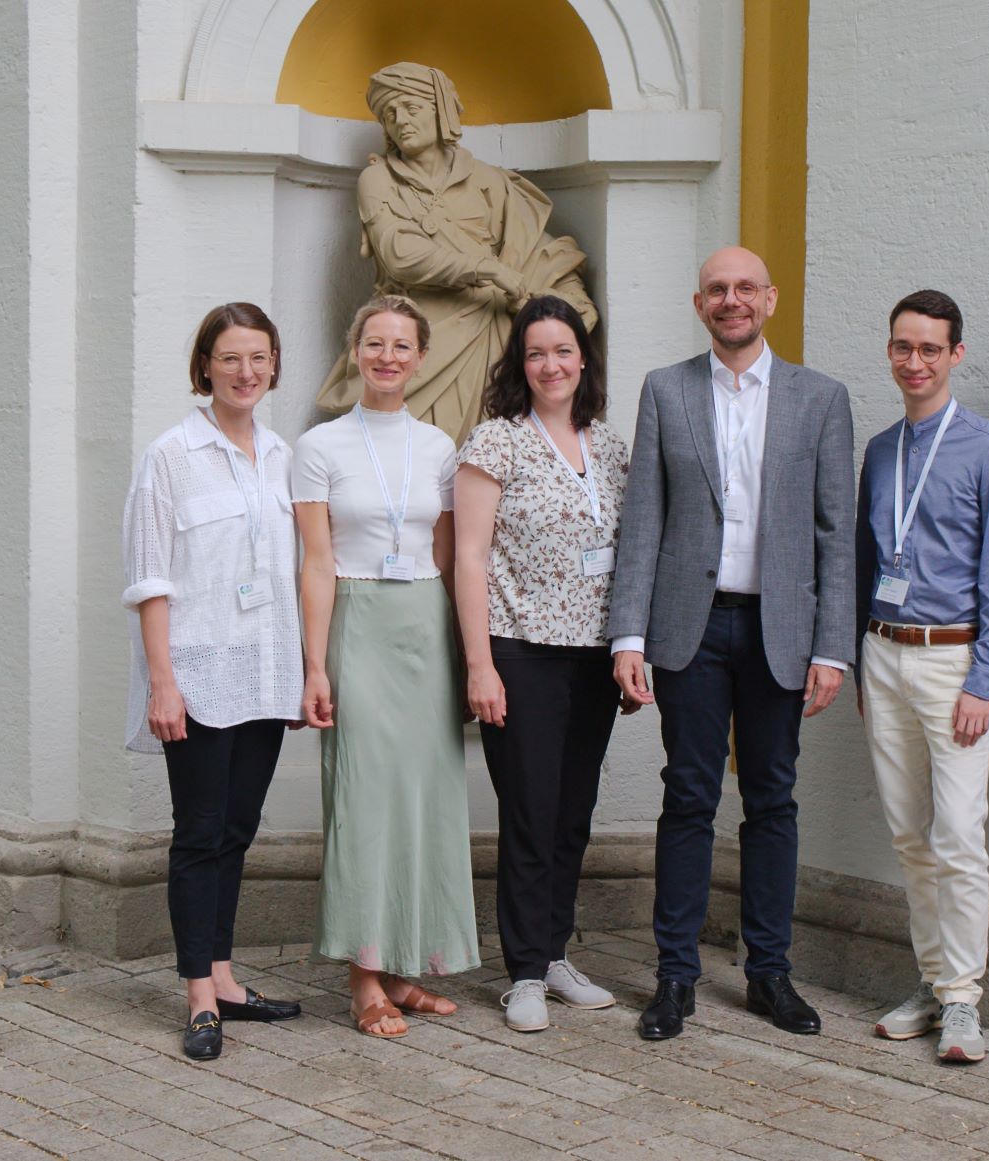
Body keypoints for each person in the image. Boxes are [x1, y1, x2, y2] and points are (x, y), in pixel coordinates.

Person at [609, 246, 856, 1041]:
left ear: (770, 299)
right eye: (717, 288)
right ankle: (674, 976)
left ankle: (768, 972)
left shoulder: (821, 398)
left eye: (746, 286)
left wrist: (832, 646)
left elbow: (834, 534)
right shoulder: (665, 390)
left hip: (780, 630)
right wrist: (628, 633)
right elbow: (643, 520)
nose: (731, 299)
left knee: (771, 798)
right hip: (691, 625)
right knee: (687, 795)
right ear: (698, 302)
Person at [122, 302, 305, 1060]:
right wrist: (163, 682)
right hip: (196, 672)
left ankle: (226, 977)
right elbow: (149, 578)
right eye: (230, 357)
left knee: (237, 828)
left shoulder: (282, 455)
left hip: (263, 671)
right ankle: (199, 996)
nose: (246, 371)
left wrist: (298, 674)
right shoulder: (171, 455)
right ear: (204, 367)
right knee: (198, 834)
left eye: (259, 357)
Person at [294, 294, 480, 1039]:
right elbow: (313, 563)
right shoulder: (320, 446)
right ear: (354, 350)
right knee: (364, 800)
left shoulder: (439, 446)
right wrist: (315, 664)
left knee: (424, 798)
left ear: (421, 357)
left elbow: (446, 553)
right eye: (375, 343)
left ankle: (404, 969)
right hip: (358, 623)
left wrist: (463, 653)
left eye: (402, 346)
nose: (388, 357)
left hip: (422, 626)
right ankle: (363, 978)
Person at [454, 295, 635, 1033]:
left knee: (571, 814)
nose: (549, 365)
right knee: (528, 813)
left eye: (561, 350)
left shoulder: (611, 446)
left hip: (593, 656)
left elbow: (632, 552)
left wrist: (630, 648)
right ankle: (523, 970)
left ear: (582, 358)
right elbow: (467, 556)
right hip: (519, 652)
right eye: (535, 353)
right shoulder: (495, 442)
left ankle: (555, 951)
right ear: (518, 364)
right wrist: (479, 664)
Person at [855, 290, 989, 1064]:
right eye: (902, 346)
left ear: (956, 355)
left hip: (953, 659)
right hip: (883, 652)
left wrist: (985, 679)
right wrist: (861, 661)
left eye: (929, 348)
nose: (913, 361)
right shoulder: (880, 451)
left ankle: (964, 1002)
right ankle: (932, 981)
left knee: (957, 832)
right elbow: (867, 565)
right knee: (907, 831)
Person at [316, 63, 596, 445]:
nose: (401, 121)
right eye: (390, 114)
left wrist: (567, 297)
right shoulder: (378, 180)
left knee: (487, 452)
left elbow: (535, 248)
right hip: (420, 341)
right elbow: (400, 253)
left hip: (490, 336)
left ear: (441, 111)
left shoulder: (489, 181)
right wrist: (486, 269)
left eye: (412, 108)